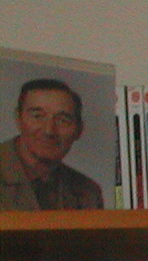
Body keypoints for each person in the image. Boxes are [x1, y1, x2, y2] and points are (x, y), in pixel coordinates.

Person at [0, 78, 103, 211]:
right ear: (18, 119)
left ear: (79, 130)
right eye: (37, 116)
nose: (49, 131)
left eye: (62, 120)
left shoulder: (88, 192)